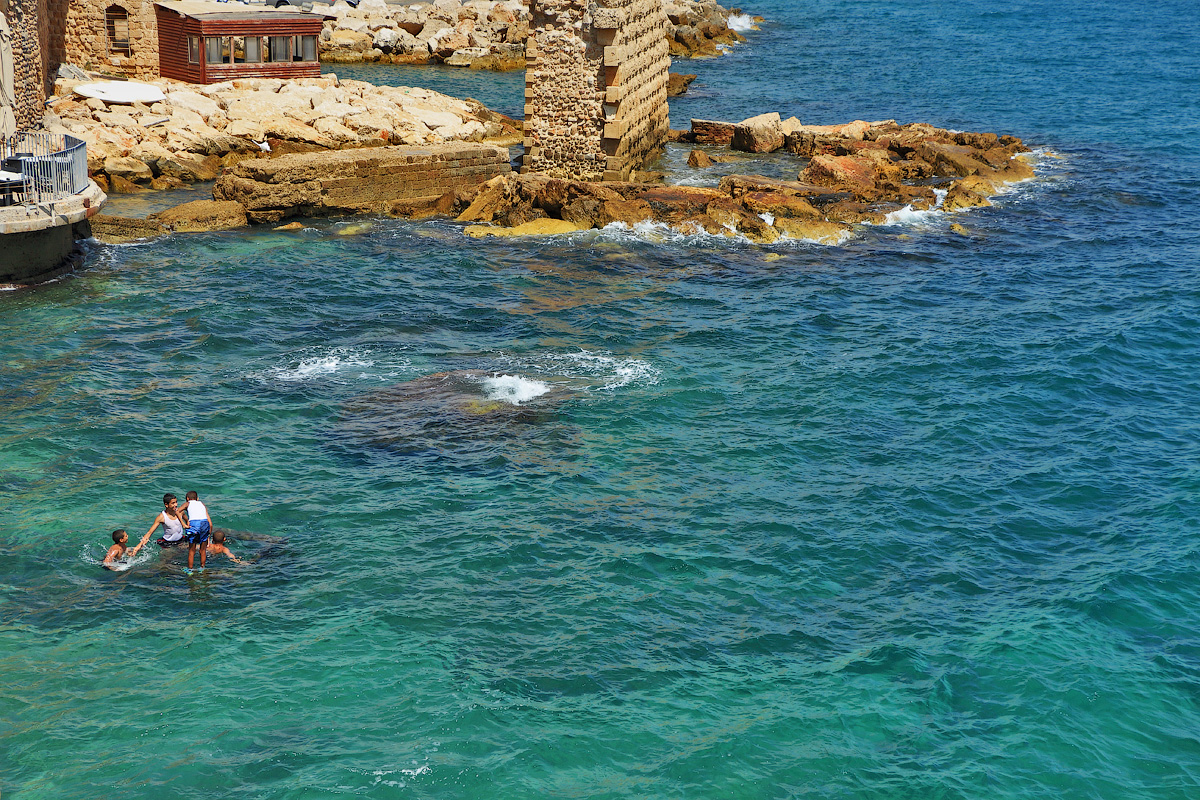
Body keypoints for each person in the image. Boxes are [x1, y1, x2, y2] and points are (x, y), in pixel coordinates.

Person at [181, 490, 212, 572]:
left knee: (192, 550)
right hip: (205, 523)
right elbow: (210, 523)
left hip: (194, 524)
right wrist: (208, 534)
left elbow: (177, 511)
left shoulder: (187, 504)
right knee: (203, 550)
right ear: (197, 498)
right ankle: (202, 568)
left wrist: (184, 524)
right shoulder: (202, 504)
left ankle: (190, 569)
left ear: (187, 498)